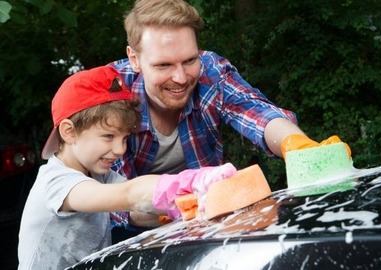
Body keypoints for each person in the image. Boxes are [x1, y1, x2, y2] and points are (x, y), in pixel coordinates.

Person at [107, 0, 350, 235]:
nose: (180, 78)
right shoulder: (108, 93)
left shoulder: (210, 70)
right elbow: (104, 192)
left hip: (211, 218)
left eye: (190, 60)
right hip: (130, 233)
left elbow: (256, 112)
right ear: (134, 59)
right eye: (163, 65)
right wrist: (166, 211)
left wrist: (297, 145)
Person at [17, 66, 237, 270]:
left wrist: (183, 208)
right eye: (108, 136)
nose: (120, 149)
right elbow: (129, 194)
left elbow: (136, 210)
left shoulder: (98, 175)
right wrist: (191, 182)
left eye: (124, 138)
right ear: (69, 132)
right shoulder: (56, 182)